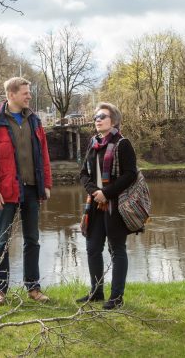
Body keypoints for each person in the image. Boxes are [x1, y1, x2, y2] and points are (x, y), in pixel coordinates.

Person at [0, 77, 52, 305]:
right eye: (25, 93)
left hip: (32, 189)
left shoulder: (35, 121)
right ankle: (0, 291)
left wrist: (47, 184)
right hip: (6, 191)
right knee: (1, 241)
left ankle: (33, 288)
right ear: (11, 94)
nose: (29, 96)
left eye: (29, 93)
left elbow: (44, 155)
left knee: (33, 240)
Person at [77, 102, 137, 310]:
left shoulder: (123, 144)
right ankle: (96, 292)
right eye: (95, 117)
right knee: (93, 248)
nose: (98, 120)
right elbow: (84, 173)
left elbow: (131, 174)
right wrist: (95, 192)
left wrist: (107, 193)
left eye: (102, 116)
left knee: (116, 249)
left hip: (116, 205)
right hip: (95, 204)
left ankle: (116, 297)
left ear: (114, 121)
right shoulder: (93, 142)